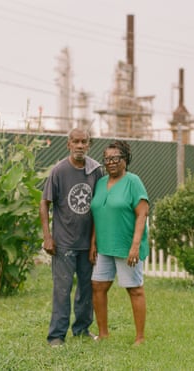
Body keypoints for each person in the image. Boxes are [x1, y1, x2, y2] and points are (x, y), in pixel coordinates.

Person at [39, 128, 103, 347]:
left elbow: (99, 208)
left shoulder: (96, 171)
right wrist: (48, 237)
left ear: (89, 144)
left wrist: (95, 242)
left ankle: (82, 329)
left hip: (87, 245)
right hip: (63, 243)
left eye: (84, 142)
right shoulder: (59, 171)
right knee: (62, 289)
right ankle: (56, 335)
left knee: (87, 288)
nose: (79, 145)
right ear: (68, 144)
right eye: (75, 141)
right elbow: (44, 203)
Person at [90, 140, 149, 346]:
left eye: (115, 158)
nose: (111, 162)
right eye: (107, 159)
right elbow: (98, 213)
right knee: (98, 286)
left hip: (126, 247)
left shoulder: (133, 181)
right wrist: (93, 242)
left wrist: (134, 246)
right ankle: (103, 333)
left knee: (134, 289)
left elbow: (142, 214)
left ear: (125, 160)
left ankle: (140, 338)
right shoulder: (100, 183)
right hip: (104, 247)